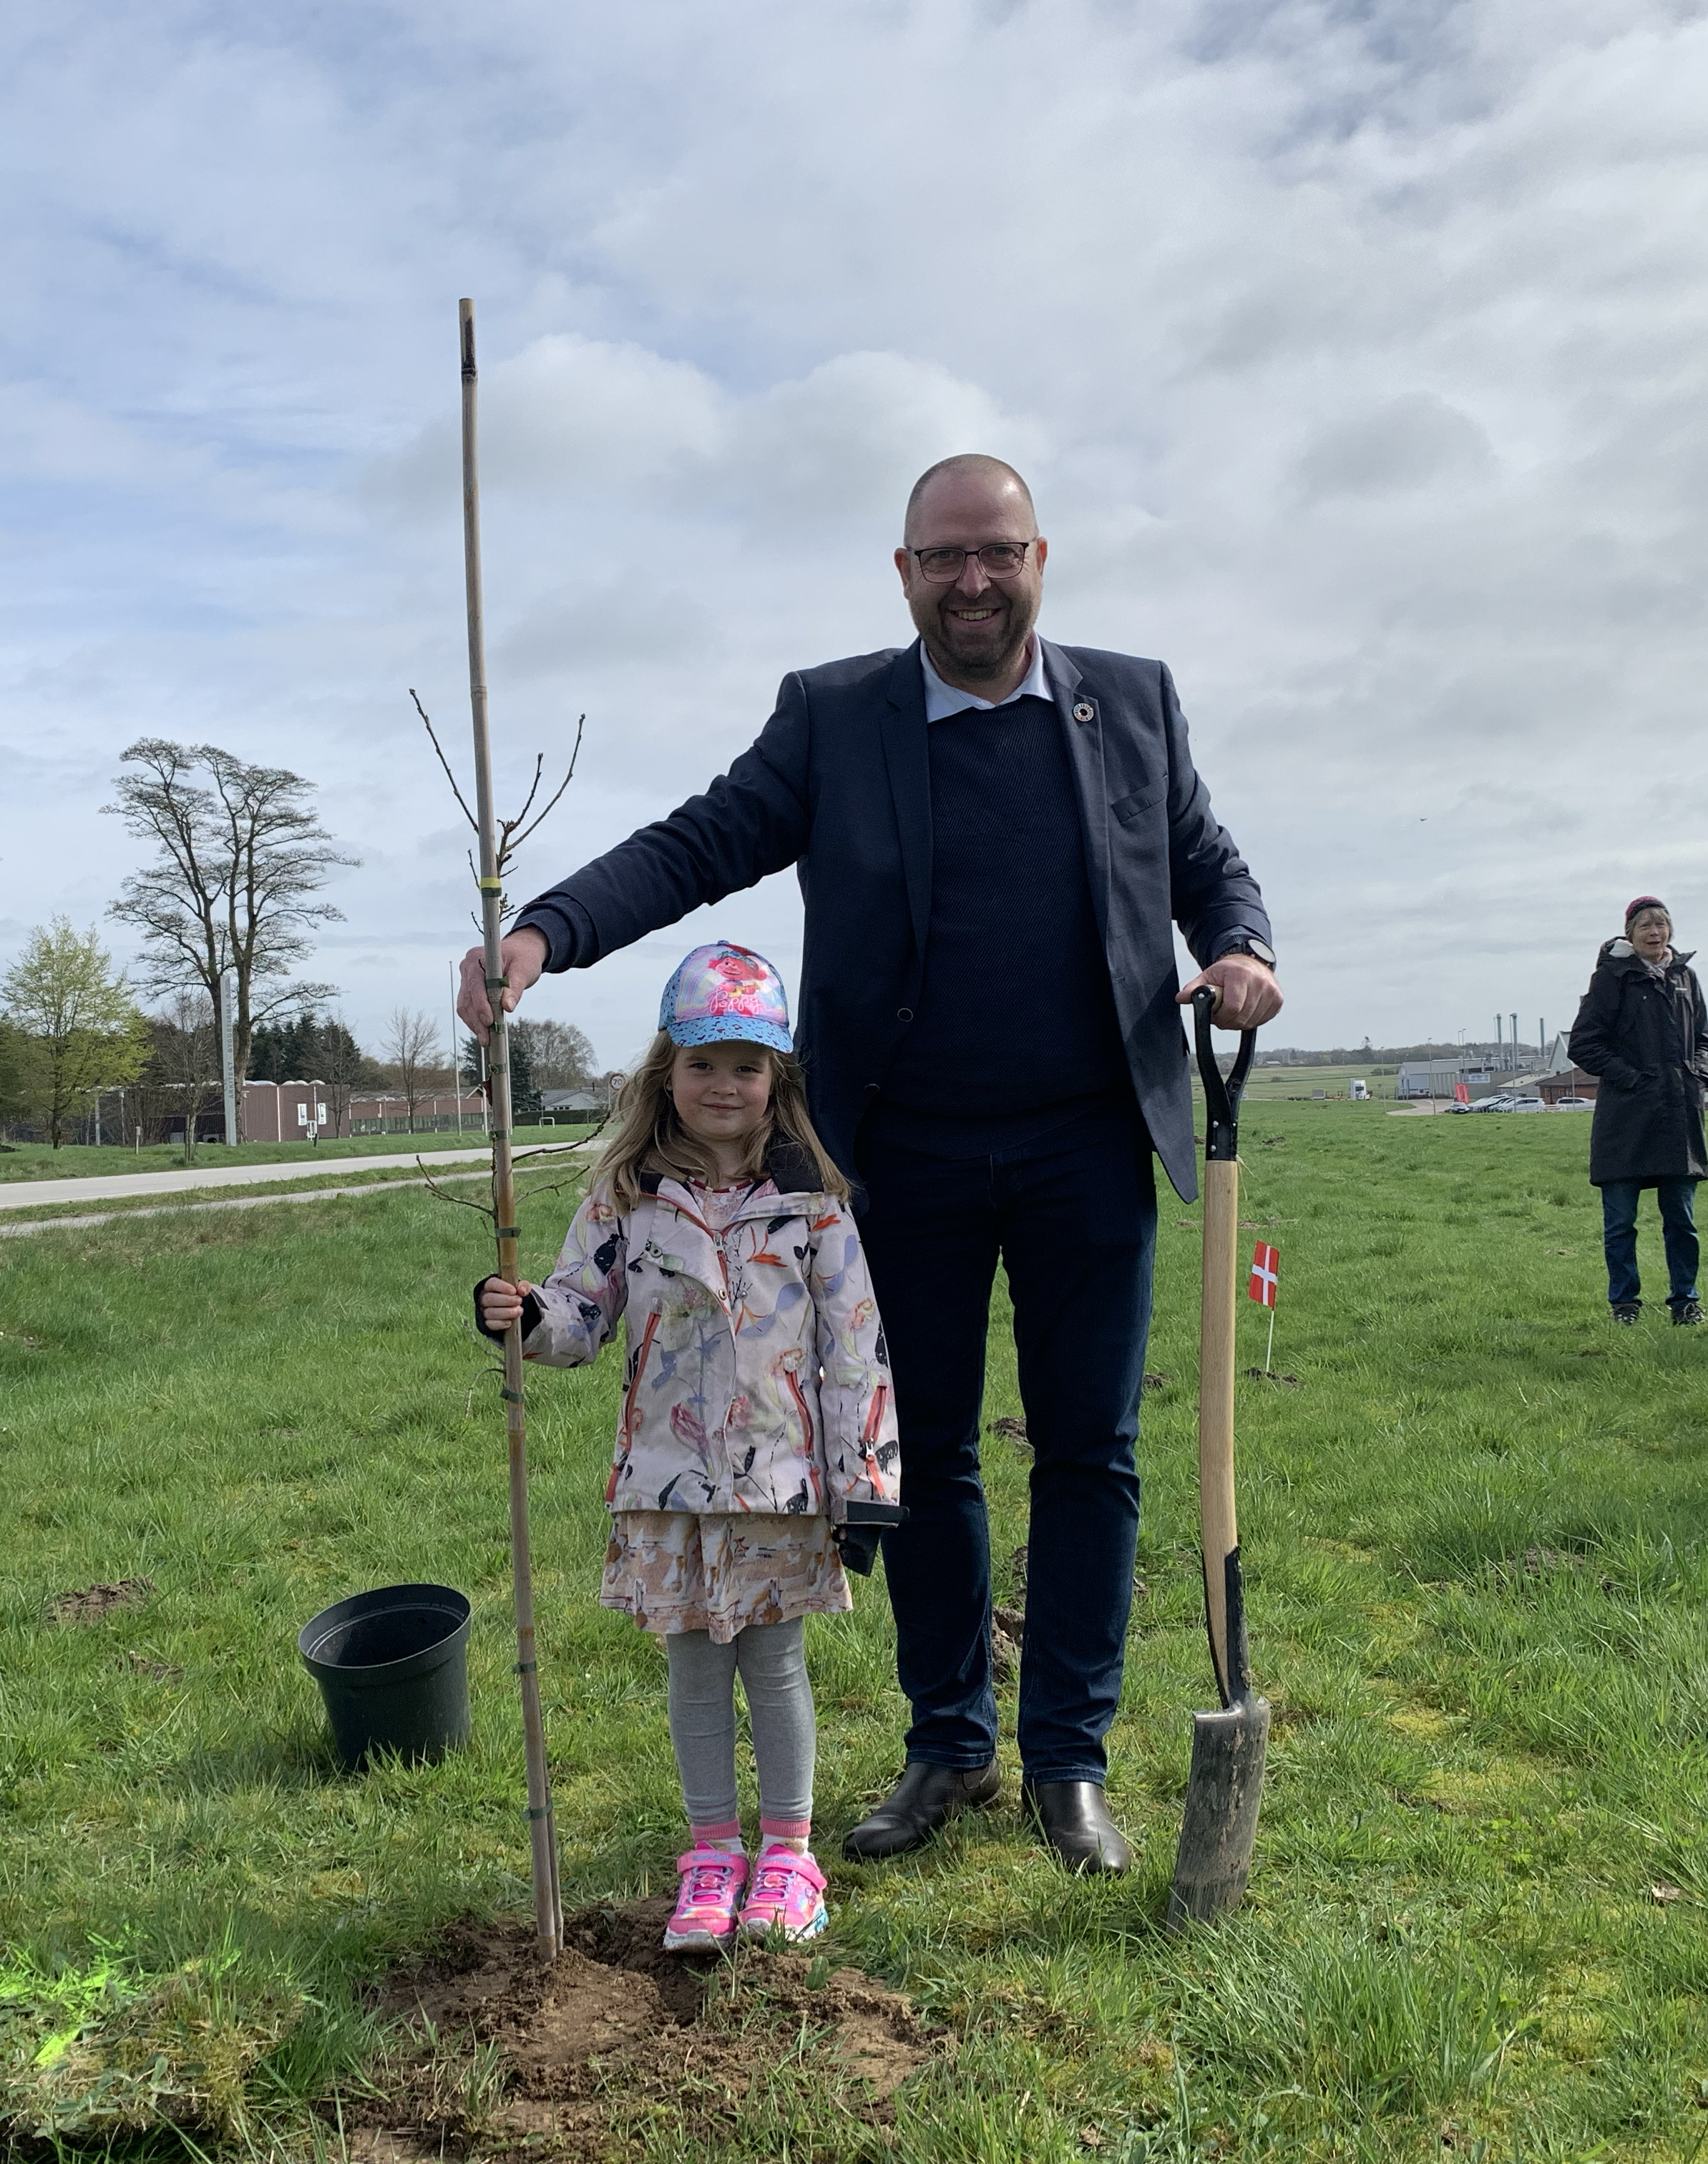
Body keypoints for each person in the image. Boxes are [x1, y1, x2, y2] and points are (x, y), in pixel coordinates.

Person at [459, 454, 1278, 1873]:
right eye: (945, 556)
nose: (974, 579)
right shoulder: (835, 718)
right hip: (900, 1157)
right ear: (904, 574)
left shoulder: (1130, 701)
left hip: (1091, 1143)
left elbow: (1201, 857)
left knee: (1094, 1454)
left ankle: (1068, 1764)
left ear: (1040, 559)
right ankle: (951, 1741)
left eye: (999, 552)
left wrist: (1243, 946)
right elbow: (701, 841)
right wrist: (549, 930)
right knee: (927, 1460)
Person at [472, 944, 901, 1948]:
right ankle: (711, 1857)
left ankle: (790, 1858)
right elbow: (581, 1316)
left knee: (775, 1665)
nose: (724, 1084)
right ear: (667, 1070)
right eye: (703, 1062)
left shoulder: (814, 1206)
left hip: (782, 1490)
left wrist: (868, 1480)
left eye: (746, 1065)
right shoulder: (625, 1198)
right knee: (694, 1673)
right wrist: (527, 1316)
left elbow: (855, 1348)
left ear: (777, 1080)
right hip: (664, 1486)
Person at [1568, 897, 1708, 1325]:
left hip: (1678, 1116)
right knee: (1620, 1223)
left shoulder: (1685, 977)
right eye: (1646, 926)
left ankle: (1686, 1302)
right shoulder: (1612, 978)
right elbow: (1585, 1045)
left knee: (1682, 1222)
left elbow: (1703, 1039)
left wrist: (1700, 1072)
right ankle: (1624, 1305)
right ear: (1629, 934)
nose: (1655, 932)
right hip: (1625, 1120)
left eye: (1662, 925)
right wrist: (1632, 1079)